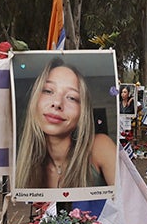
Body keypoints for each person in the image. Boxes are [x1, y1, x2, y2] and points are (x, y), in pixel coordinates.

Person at [12, 57, 116, 194]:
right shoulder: (25, 166)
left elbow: (132, 209)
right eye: (48, 91)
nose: (57, 103)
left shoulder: (100, 147)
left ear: (82, 112)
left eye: (71, 97)